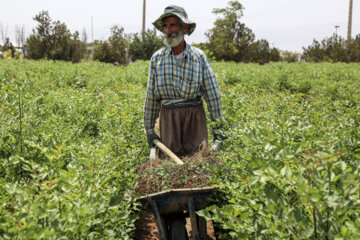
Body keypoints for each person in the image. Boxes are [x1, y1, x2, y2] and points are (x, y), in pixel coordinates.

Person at [144, 5, 225, 158]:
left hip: (194, 119)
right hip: (169, 120)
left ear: (185, 27)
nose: (168, 31)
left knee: (198, 164)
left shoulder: (198, 57)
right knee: (170, 165)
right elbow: (151, 97)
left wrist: (219, 132)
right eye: (165, 26)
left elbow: (213, 95)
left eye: (172, 25)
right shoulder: (157, 59)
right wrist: (149, 129)